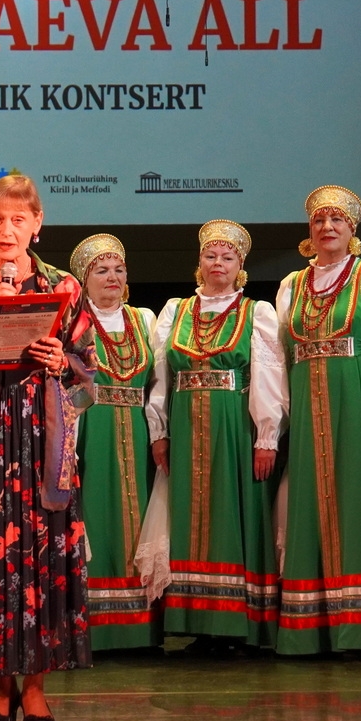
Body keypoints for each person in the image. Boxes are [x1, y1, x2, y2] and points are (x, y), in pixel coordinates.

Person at [0, 174, 94, 721]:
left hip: (40, 437)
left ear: (37, 224)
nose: (7, 230)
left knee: (42, 557)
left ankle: (36, 690)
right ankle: (0, 690)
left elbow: (88, 372)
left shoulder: (64, 286)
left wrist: (60, 361)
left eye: (18, 219)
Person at [274, 186, 361, 654]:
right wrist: (277, 423)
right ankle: (312, 628)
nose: (327, 227)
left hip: (354, 400)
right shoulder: (292, 284)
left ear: (352, 229)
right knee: (309, 503)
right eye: (319, 220)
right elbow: (279, 356)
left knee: (354, 499)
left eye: (336, 220)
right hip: (306, 405)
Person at [148, 220, 286, 655]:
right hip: (186, 425)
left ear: (240, 265)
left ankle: (237, 626)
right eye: (211, 256)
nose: (218, 263)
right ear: (199, 262)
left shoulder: (256, 312)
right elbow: (160, 377)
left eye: (227, 257)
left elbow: (268, 376)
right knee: (188, 519)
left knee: (233, 513)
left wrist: (266, 437)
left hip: (233, 426)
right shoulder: (175, 311)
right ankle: (198, 624)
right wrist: (159, 431)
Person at [70, 233, 162, 651]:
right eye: (102, 270)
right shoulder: (74, 323)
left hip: (138, 431)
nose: (113, 277)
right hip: (92, 431)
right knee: (94, 516)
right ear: (84, 280)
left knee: (142, 522)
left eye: (119, 269)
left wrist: (159, 433)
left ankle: (141, 629)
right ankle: (94, 628)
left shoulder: (143, 319)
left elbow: (158, 381)